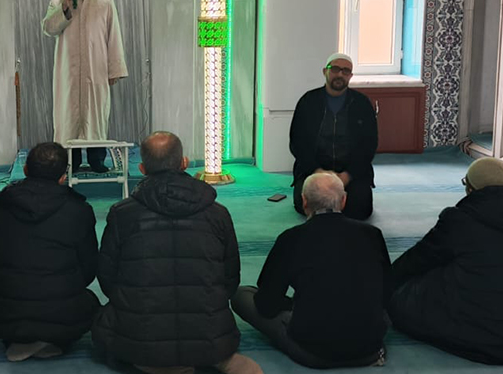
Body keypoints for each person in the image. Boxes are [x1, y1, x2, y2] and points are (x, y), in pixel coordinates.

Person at [92, 131, 262, 374]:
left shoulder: (122, 214)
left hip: (142, 339)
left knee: (101, 321)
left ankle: (157, 364)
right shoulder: (218, 213)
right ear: (184, 163)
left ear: (142, 168)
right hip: (209, 337)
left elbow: (107, 278)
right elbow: (230, 279)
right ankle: (207, 359)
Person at [232, 172, 392, 369]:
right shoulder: (372, 234)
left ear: (304, 201)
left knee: (241, 296)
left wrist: (293, 305)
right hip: (370, 348)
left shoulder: (291, 238)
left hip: (313, 352)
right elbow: (387, 291)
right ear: (343, 201)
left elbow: (266, 303)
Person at [0, 142, 99, 361]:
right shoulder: (79, 210)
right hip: (62, 314)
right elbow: (89, 269)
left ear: (25, 169)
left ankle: (25, 338)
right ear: (63, 176)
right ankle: (47, 339)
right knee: (92, 305)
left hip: (0, 317)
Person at [388, 157, 503, 365]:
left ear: (470, 189)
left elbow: (418, 259)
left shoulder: (460, 220)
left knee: (402, 298)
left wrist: (387, 281)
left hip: (479, 333)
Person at [42, 0, 128, 173]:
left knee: (95, 115)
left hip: (95, 70)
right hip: (67, 72)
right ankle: (71, 162)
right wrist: (64, 8)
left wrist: (114, 70)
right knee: (68, 115)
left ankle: (96, 160)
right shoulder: (57, 1)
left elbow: (113, 37)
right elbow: (49, 29)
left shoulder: (104, 2)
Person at [289, 52, 378, 220]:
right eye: (335, 69)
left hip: (350, 172)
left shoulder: (362, 104)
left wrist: (347, 175)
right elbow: (298, 143)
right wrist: (317, 171)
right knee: (305, 206)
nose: (340, 74)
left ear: (350, 76)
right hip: (315, 170)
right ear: (325, 71)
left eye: (346, 71)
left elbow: (369, 146)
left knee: (360, 208)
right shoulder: (308, 101)